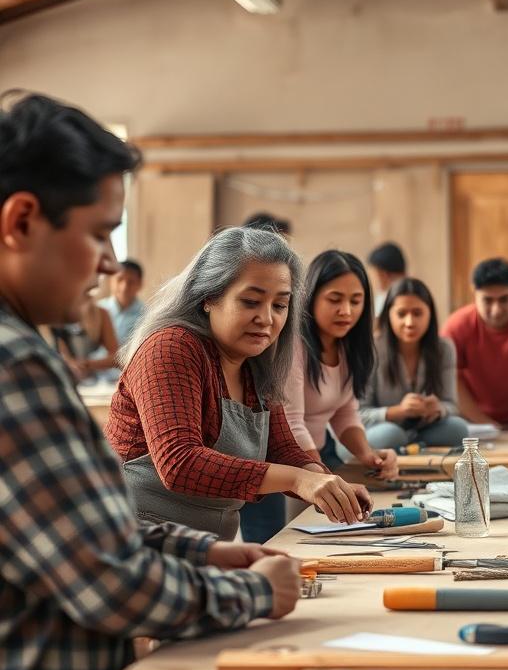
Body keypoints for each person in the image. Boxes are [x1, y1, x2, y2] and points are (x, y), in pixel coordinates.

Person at [0, 92, 300, 670]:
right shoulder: (14, 364)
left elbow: (95, 528)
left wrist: (211, 550)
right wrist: (253, 595)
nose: (111, 263)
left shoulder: (25, 351)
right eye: (100, 231)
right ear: (21, 221)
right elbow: (107, 579)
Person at [105, 227, 373, 540]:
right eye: (250, 302)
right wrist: (299, 480)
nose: (267, 319)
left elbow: (282, 448)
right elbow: (179, 462)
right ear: (208, 297)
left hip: (202, 546)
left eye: (280, 305)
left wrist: (325, 483)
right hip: (131, 538)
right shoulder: (170, 347)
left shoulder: (257, 363)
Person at [284, 249, 399, 476]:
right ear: (310, 296)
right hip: (286, 461)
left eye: (356, 301)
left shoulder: (349, 346)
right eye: (334, 299)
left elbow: (345, 412)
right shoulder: (293, 346)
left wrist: (368, 455)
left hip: (320, 451)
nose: (346, 311)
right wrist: (324, 479)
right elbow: (292, 424)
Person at [360, 278, 469, 449]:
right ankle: (408, 442)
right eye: (401, 314)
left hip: (424, 428)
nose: (409, 322)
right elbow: (359, 414)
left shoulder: (444, 348)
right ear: (388, 315)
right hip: (382, 428)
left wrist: (438, 409)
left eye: (418, 313)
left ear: (430, 314)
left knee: (459, 429)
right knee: (391, 435)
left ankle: (409, 442)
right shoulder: (371, 349)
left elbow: (452, 405)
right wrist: (399, 411)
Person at [441, 257, 508, 428]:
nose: (496, 310)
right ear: (474, 295)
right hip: (472, 423)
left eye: (504, 299)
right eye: (487, 300)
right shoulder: (456, 326)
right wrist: (485, 424)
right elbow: (451, 378)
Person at [52, 294, 119, 381]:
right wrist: (71, 364)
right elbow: (63, 355)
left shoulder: (101, 314)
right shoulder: (55, 315)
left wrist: (87, 364)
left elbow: (115, 357)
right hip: (65, 377)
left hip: (94, 380)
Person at [99, 258, 145, 345]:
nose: (124, 287)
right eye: (119, 279)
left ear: (140, 284)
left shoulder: (146, 316)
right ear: (111, 281)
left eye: (131, 282)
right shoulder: (98, 309)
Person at [367, 241, 407, 316]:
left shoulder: (397, 298)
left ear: (382, 274)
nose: (373, 280)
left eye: (374, 275)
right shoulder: (382, 296)